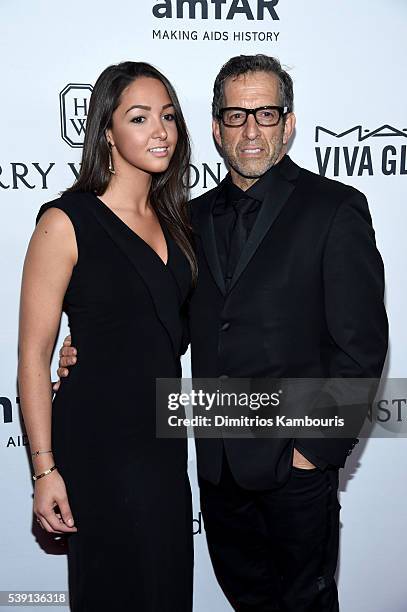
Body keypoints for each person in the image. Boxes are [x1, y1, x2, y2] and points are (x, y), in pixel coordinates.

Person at [57, 55, 388, 611]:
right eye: (236, 116)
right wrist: (89, 347)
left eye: (266, 113)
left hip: (294, 463)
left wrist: (315, 450)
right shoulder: (188, 217)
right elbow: (169, 325)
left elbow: (362, 346)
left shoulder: (334, 208)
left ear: (289, 122)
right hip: (217, 468)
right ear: (215, 127)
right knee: (246, 599)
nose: (251, 130)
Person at [18, 61, 196, 612]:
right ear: (106, 132)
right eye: (139, 117)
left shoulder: (179, 222)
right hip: (96, 440)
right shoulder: (65, 221)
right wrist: (44, 471)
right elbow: (32, 358)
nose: (160, 130)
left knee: (166, 586)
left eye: (168, 116)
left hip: (162, 441)